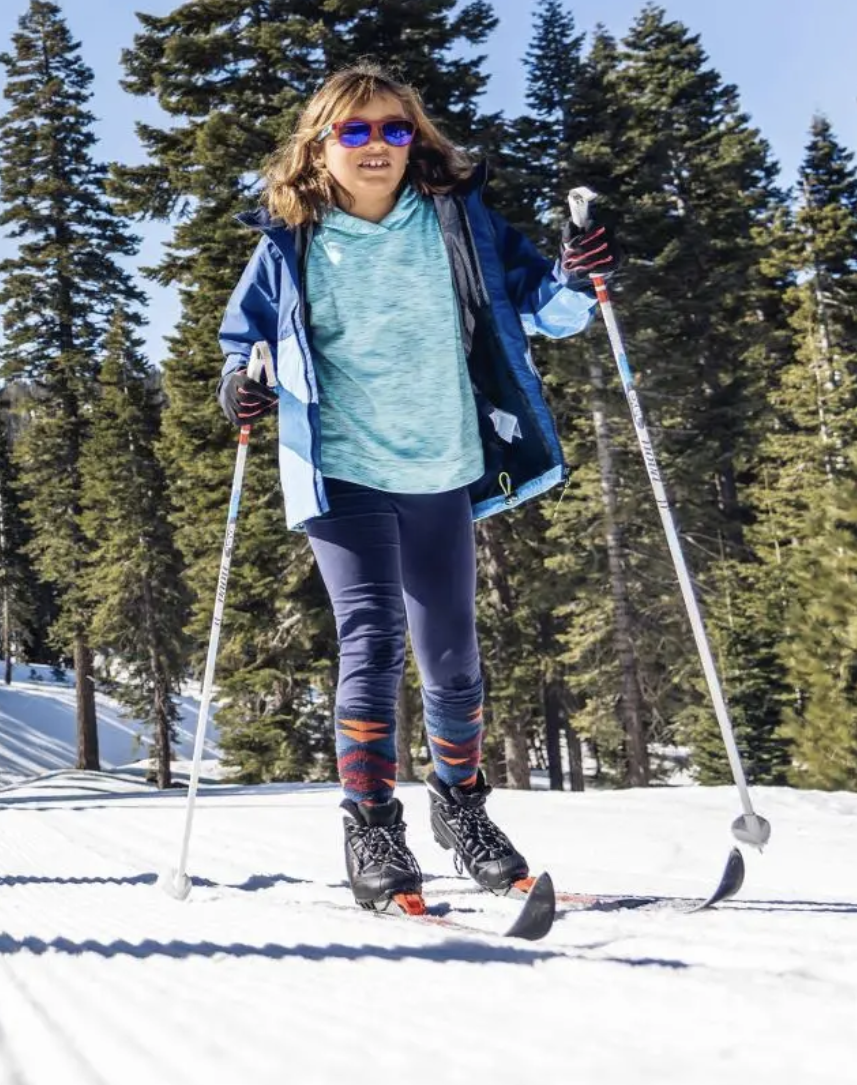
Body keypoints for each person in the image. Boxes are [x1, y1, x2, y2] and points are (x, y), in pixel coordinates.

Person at [217, 65, 614, 909]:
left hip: (441, 462)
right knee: (373, 640)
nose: (377, 146)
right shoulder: (291, 241)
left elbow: (543, 306)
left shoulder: (456, 222)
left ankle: (462, 813)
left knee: (452, 657)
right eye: (355, 131)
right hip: (343, 467)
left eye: (394, 129)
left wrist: (578, 273)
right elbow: (243, 343)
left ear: (414, 140)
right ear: (319, 146)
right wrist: (239, 386)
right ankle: (371, 826)